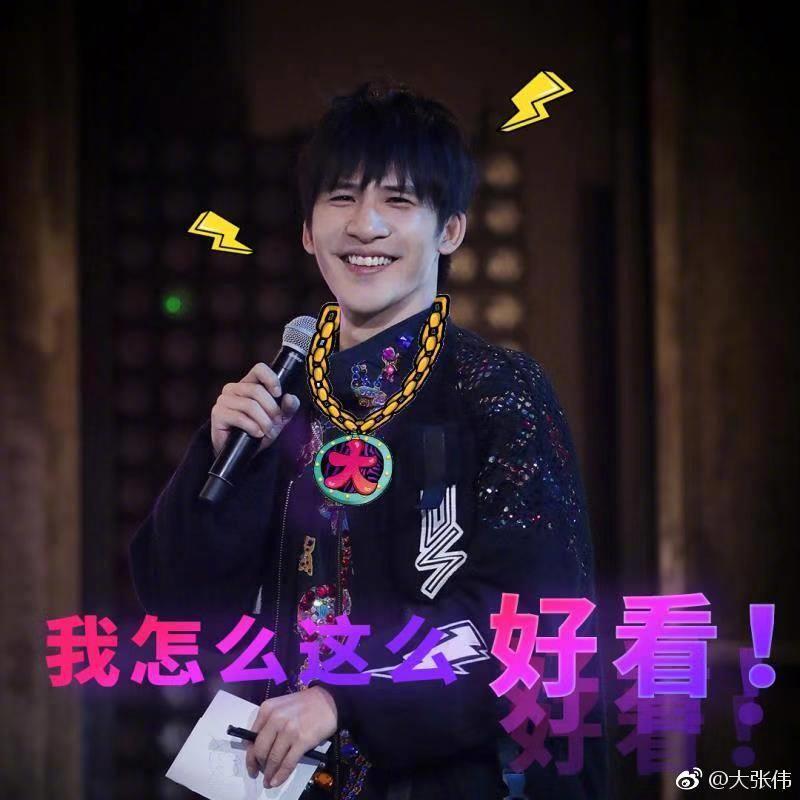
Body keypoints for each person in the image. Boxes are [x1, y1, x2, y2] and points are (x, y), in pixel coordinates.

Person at [129, 81, 606, 799]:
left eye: (399, 200)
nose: (366, 226)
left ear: (451, 230)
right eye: (342, 198)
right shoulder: (279, 397)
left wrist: (346, 699)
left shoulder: (497, 391)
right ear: (307, 229)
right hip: (280, 778)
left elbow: (532, 625)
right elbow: (179, 612)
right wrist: (219, 458)